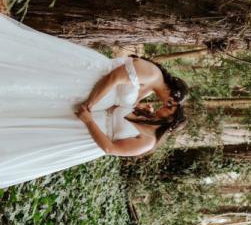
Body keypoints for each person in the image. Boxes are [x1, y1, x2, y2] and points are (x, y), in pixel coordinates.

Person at [0, 13, 188, 189]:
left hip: (85, 131)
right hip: (90, 87)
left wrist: (96, 116)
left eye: (169, 108)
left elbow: (111, 146)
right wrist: (92, 104)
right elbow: (116, 83)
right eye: (169, 105)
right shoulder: (152, 76)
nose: (164, 106)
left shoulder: (147, 138)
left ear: (170, 119)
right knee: (39, 83)